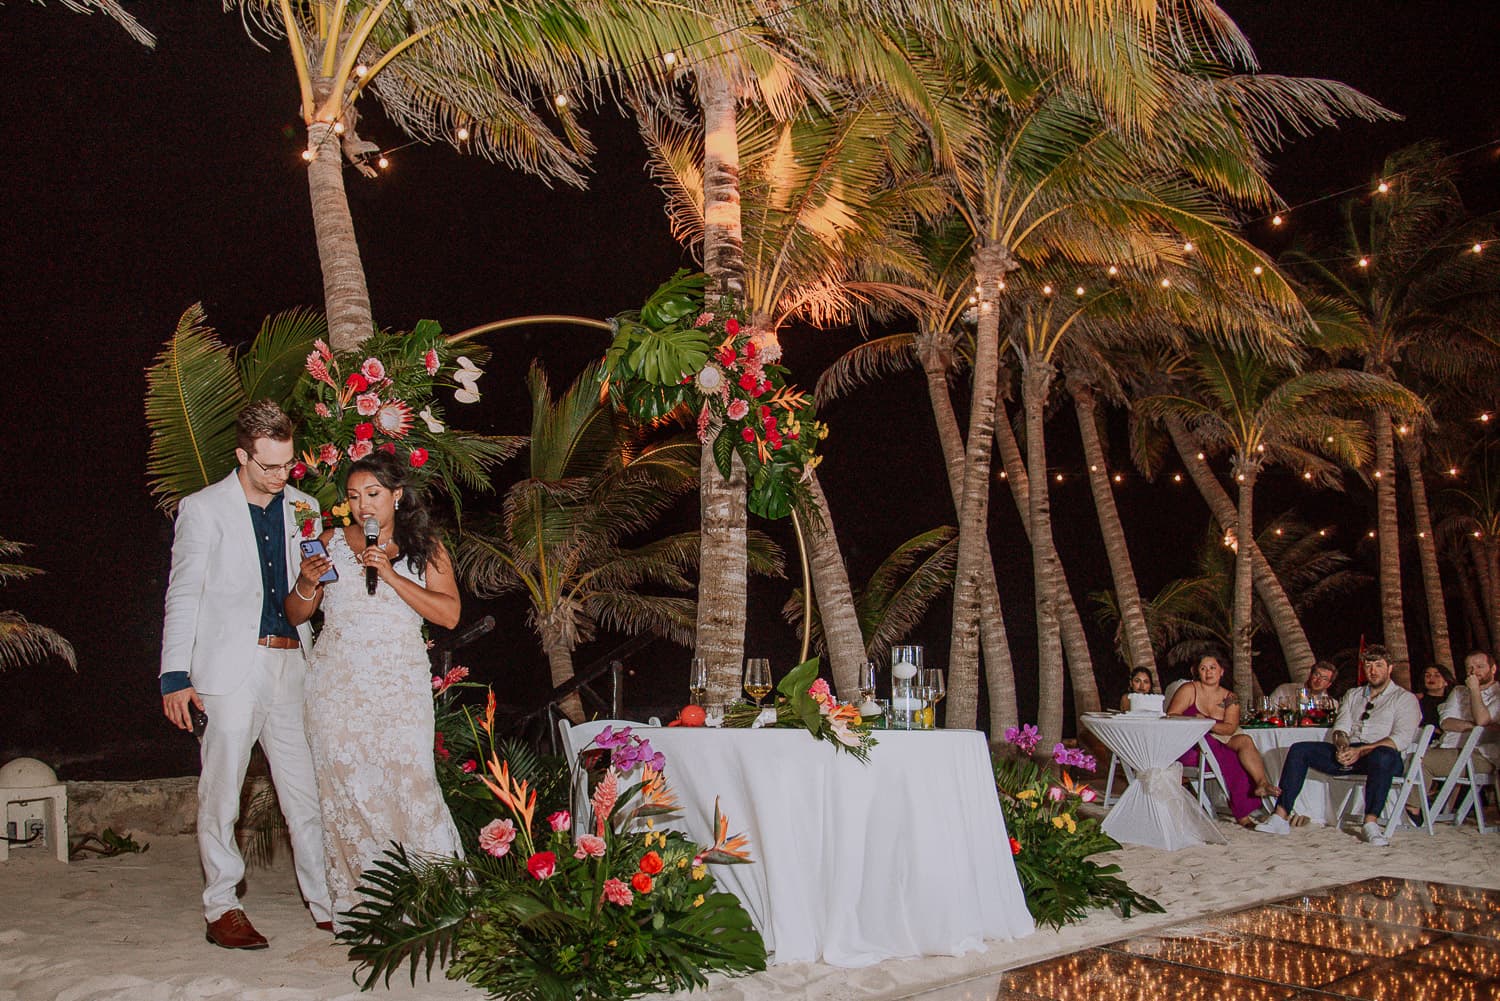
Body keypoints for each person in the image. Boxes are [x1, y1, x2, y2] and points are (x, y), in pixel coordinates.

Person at [159, 399, 332, 949]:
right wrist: (173, 675)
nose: (282, 477)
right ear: (242, 455)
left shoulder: (305, 507)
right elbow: (183, 592)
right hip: (229, 670)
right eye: (270, 466)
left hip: (293, 663)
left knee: (306, 793)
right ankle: (222, 907)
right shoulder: (203, 509)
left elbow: (317, 592)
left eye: (289, 465)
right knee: (223, 793)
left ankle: (329, 903)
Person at [289, 451, 464, 929]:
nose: (364, 506)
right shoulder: (329, 542)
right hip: (335, 685)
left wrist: (389, 574)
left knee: (411, 782)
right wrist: (306, 585)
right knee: (344, 789)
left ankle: (431, 898)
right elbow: (297, 615)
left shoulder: (425, 547)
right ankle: (363, 904)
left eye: (373, 495)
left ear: (396, 496)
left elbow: (448, 614)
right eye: (353, 496)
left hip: (398, 683)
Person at [1254, 644, 1421, 846]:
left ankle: (1370, 823)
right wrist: (1343, 747)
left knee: (1382, 755)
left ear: (1389, 668)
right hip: (1352, 752)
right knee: (1300, 749)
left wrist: (1360, 751)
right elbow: (1341, 728)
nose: (1373, 671)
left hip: (1384, 756)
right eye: (1369, 665)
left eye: (1379, 665)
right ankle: (1280, 816)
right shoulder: (1353, 695)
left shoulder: (1405, 698)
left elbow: (1400, 738)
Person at [1166, 654, 1280, 826]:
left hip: (1218, 738)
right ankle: (1242, 814)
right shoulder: (1190, 689)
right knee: (1232, 757)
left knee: (1245, 741)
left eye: (1212, 667)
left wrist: (1206, 723)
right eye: (1203, 668)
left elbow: (1230, 728)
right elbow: (1171, 715)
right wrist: (1197, 724)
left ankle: (1262, 783)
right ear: (1198, 672)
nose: (1208, 672)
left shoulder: (1230, 697)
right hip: (1191, 744)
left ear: (1221, 671)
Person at [1424, 650, 1499, 779]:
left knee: (1419, 761)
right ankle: (1420, 800)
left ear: (1493, 669)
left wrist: (1474, 690)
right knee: (1411, 760)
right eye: (1469, 668)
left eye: (1479, 667)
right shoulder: (1458, 691)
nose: (1473, 671)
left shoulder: (1497, 694)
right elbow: (1446, 722)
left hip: (1481, 754)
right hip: (1448, 747)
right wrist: (1476, 728)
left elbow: (1482, 720)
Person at [1267, 661, 1338, 710]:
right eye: (1317, 675)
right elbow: (1269, 711)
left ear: (1329, 684)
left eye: (1325, 679)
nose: (1319, 680)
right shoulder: (1284, 690)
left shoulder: (1332, 704)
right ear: (1310, 675)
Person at [1417, 664, 1457, 730]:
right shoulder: (1417, 701)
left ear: (1446, 682)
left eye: (1437, 675)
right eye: (1427, 675)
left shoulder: (1452, 701)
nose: (1431, 678)